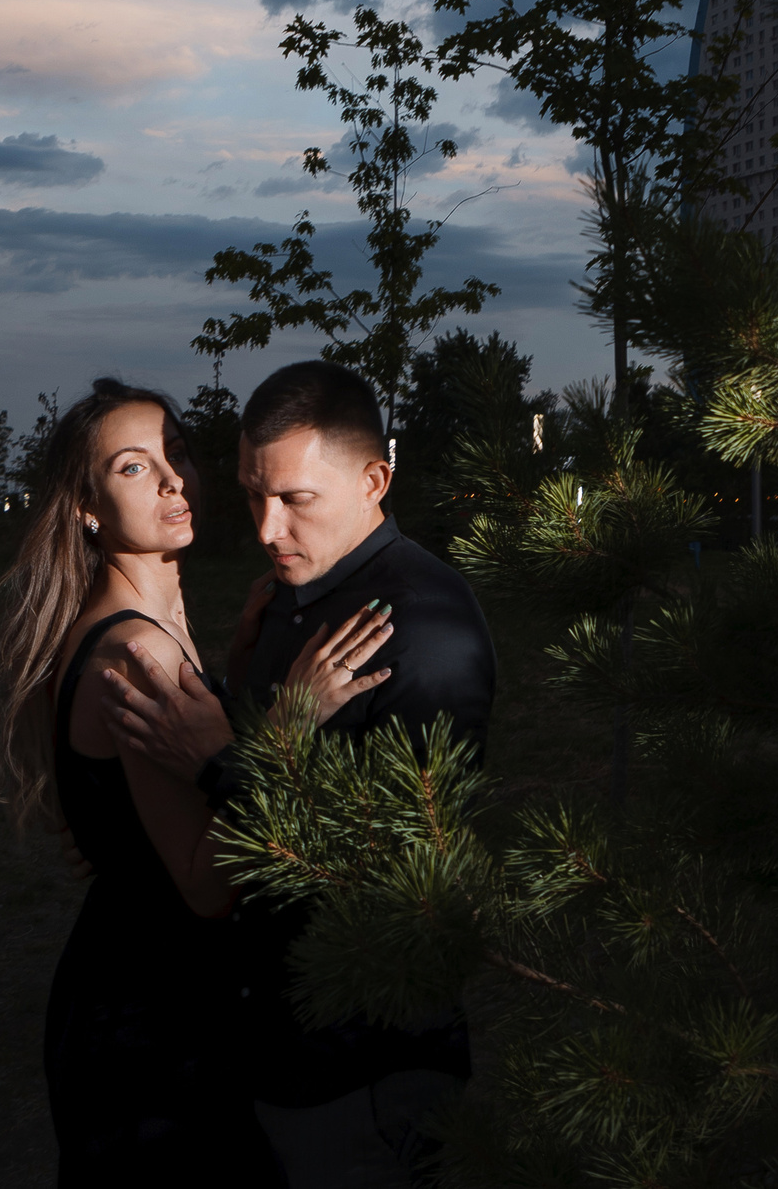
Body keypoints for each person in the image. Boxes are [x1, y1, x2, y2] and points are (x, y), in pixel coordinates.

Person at [0, 376, 393, 1186]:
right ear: (86, 507)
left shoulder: (145, 624)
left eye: (175, 452)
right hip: (153, 1033)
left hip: (144, 992)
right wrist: (288, 724)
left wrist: (233, 677)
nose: (173, 478)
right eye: (134, 467)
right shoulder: (137, 652)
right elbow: (208, 886)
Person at [102, 359, 498, 1187]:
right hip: (275, 1048)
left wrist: (222, 765)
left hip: (367, 1067)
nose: (265, 526)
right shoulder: (295, 591)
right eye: (253, 494)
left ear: (374, 478)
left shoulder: (420, 628)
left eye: (294, 500)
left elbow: (401, 876)